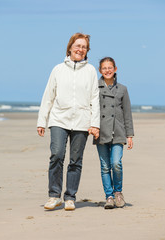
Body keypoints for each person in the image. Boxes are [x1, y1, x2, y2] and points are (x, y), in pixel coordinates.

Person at [37, 33, 100, 211]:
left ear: (87, 51)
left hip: (82, 121)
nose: (80, 49)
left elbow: (95, 99)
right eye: (78, 45)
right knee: (56, 155)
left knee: (75, 160)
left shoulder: (90, 71)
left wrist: (94, 123)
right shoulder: (58, 69)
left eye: (84, 47)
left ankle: (70, 197)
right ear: (70, 47)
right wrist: (42, 121)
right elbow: (48, 96)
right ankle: (54, 196)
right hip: (59, 119)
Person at [93, 57, 134, 209]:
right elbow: (91, 110)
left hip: (118, 131)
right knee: (104, 166)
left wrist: (129, 135)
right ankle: (109, 196)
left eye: (110, 68)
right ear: (100, 70)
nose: (107, 70)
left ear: (115, 69)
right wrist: (92, 127)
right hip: (101, 132)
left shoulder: (122, 89)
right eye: (104, 68)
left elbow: (127, 113)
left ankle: (118, 192)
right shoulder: (95, 88)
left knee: (116, 163)